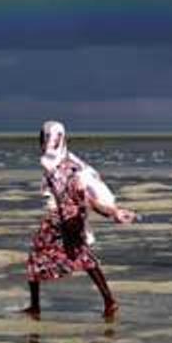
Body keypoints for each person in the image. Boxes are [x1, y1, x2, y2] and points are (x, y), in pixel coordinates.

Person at [22, 121, 136, 320]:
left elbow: (86, 197)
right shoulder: (53, 162)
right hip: (60, 217)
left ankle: (37, 307)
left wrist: (112, 212)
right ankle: (108, 301)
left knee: (70, 257)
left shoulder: (69, 167)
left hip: (67, 218)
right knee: (69, 257)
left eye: (44, 137)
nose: (41, 142)